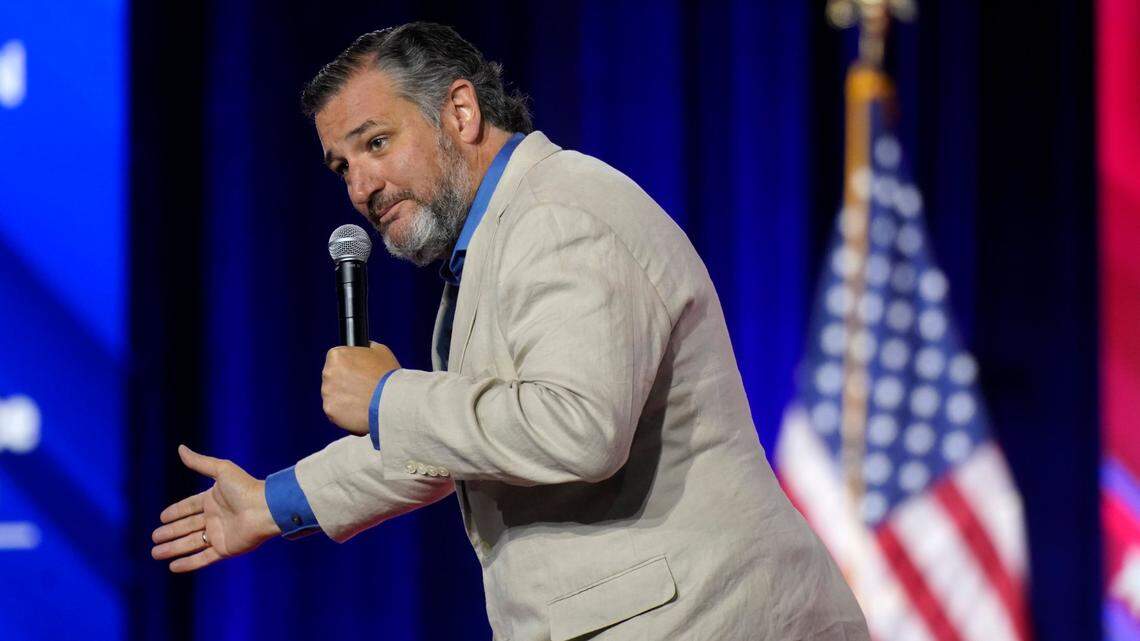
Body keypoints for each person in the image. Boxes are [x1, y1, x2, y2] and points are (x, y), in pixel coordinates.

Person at [151, 22, 869, 641]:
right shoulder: (499, 238)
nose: (361, 186)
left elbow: (578, 427)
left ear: (459, 110)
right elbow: (456, 439)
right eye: (344, 165)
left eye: (377, 142)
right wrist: (271, 503)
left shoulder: (560, 214)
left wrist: (387, 397)